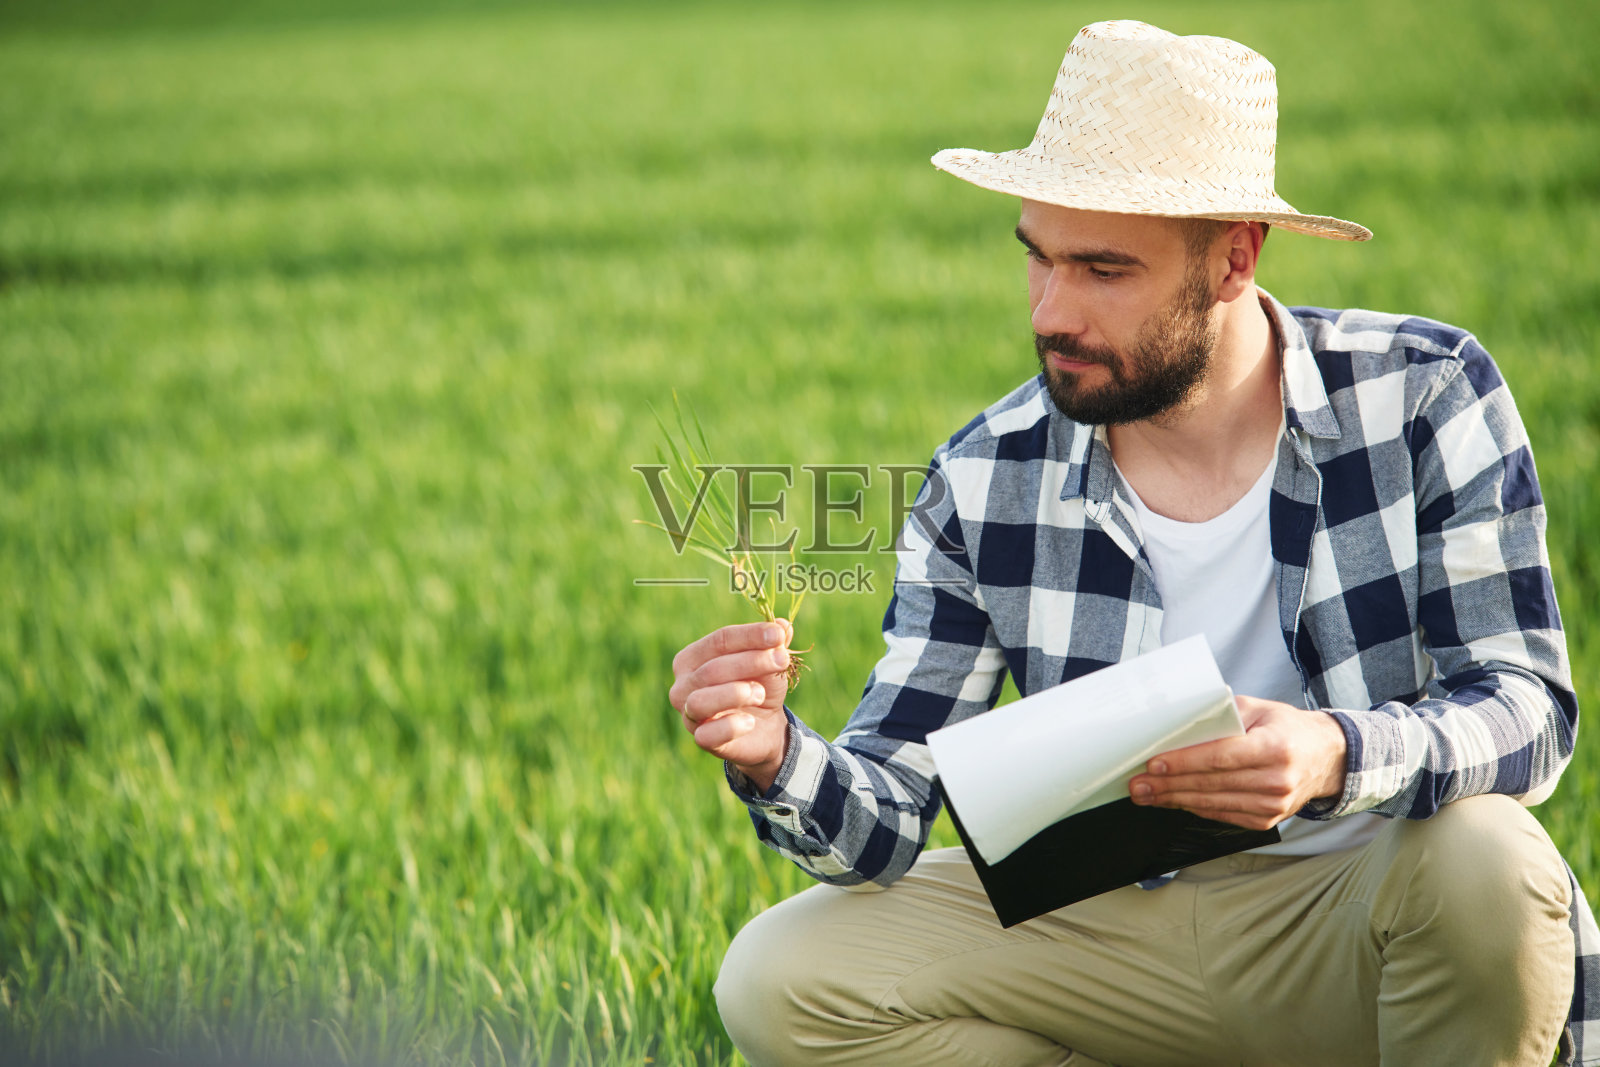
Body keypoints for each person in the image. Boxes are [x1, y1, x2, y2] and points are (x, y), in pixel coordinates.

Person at [667, 20, 1600, 1067]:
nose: (1052, 310)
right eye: (1039, 257)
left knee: (1487, 859)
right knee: (777, 977)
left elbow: (1528, 711)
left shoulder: (1424, 395)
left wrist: (1332, 753)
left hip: (1368, 906)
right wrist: (775, 753)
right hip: (1117, 932)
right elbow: (889, 808)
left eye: (1104, 269)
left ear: (1234, 258)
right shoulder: (983, 477)